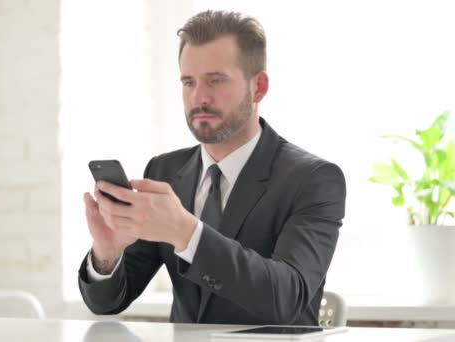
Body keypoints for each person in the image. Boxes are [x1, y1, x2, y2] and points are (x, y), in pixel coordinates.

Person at [78, 10, 346, 325]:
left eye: (215, 81)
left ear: (258, 87)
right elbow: (108, 303)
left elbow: (287, 298)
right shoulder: (165, 171)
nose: (199, 97)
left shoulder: (313, 179)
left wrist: (186, 232)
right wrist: (106, 255)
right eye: (188, 82)